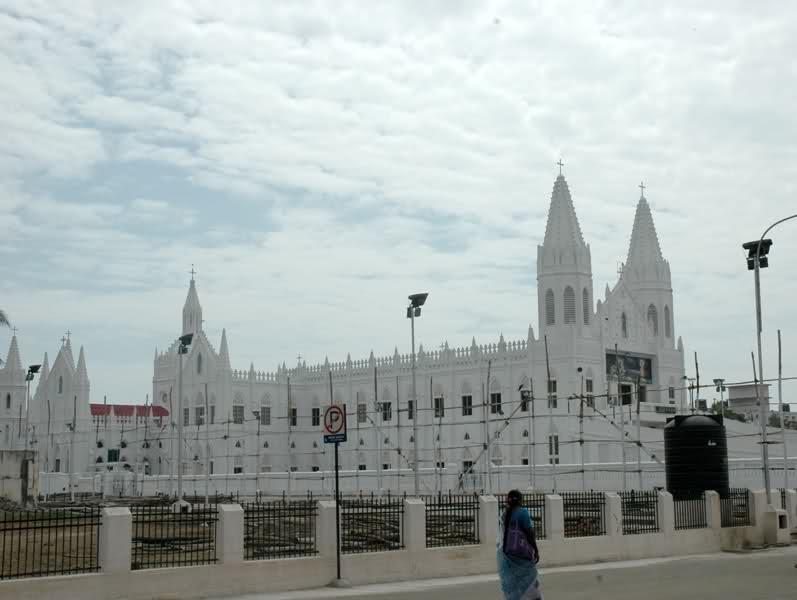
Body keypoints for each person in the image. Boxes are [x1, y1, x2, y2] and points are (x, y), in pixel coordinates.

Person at [498, 489, 542, 600]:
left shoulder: (504, 514)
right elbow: (529, 532)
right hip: (522, 553)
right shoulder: (523, 512)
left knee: (514, 583)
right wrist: (535, 549)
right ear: (520, 500)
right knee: (530, 580)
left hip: (508, 554)